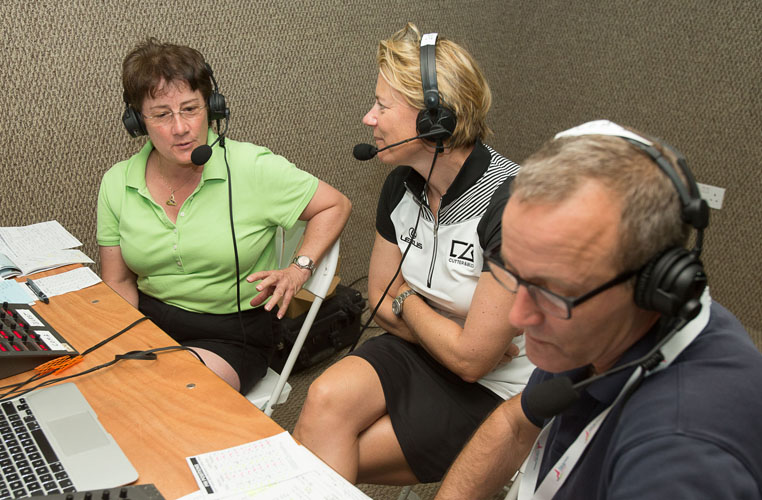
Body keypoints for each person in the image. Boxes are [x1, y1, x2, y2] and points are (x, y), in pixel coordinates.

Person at [435, 120, 762, 499]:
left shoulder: (680, 457)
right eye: (512, 271)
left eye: (552, 292)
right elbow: (515, 423)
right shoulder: (595, 327)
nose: (518, 318)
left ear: (652, 285)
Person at [293, 23, 535, 485]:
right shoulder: (402, 182)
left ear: (434, 120)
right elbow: (382, 299)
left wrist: (407, 300)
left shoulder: (513, 205)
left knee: (326, 453)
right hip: (420, 349)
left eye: (382, 106)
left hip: (498, 388)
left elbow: (471, 363)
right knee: (324, 399)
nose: (369, 118)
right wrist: (437, 324)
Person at [96, 39, 351, 394]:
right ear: (138, 121)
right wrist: (123, 342)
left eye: (190, 109)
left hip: (233, 334)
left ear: (212, 108)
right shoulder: (117, 182)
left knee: (168, 393)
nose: (180, 127)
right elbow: (119, 283)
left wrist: (298, 269)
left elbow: (334, 204)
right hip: (150, 321)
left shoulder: (252, 167)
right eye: (161, 114)